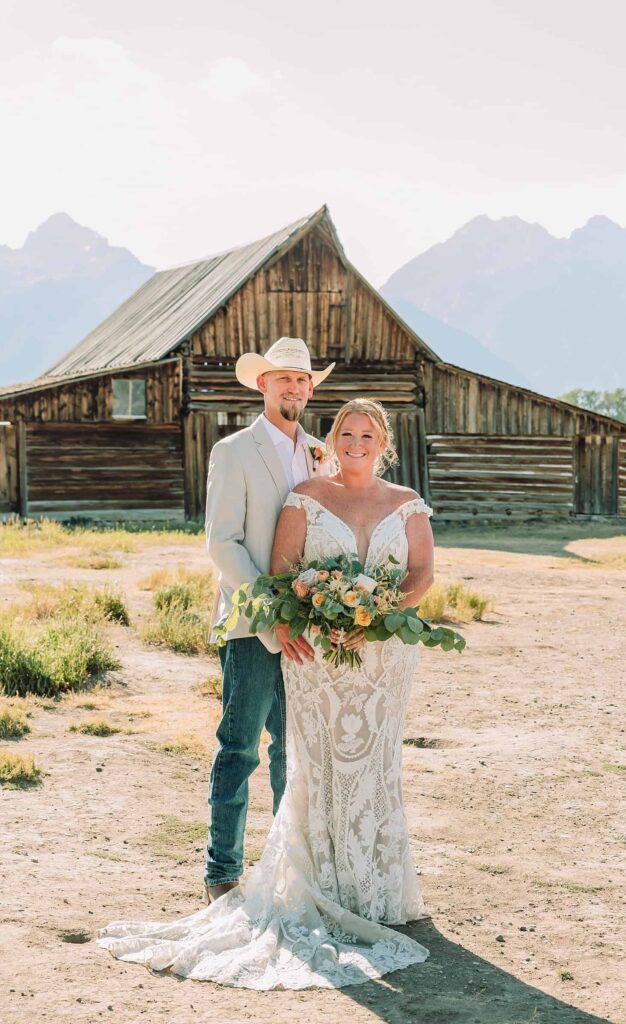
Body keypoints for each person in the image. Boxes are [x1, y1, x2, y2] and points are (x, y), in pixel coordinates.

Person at [98, 399, 435, 990]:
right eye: (346, 433)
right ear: (332, 440)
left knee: (379, 764)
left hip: (384, 658)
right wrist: (310, 615)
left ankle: (378, 889)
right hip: (317, 657)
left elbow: (421, 576)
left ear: (384, 443)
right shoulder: (305, 496)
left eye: (367, 435)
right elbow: (281, 575)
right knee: (310, 762)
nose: (356, 442)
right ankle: (302, 881)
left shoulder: (407, 503)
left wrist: (378, 611)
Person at [202, 336, 334, 903]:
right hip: (250, 625)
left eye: (303, 380)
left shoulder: (322, 453)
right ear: (263, 385)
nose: (295, 388)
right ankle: (222, 872)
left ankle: (288, 868)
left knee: (294, 752)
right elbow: (222, 543)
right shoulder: (233, 451)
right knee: (240, 749)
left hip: (310, 627)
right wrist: (268, 616)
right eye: (284, 379)